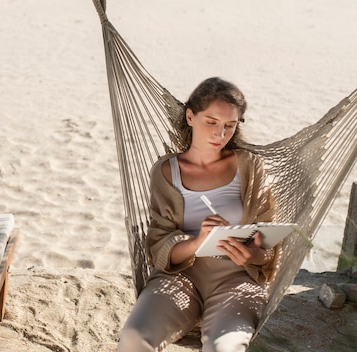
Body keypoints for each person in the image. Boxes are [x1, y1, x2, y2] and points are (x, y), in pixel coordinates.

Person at [117, 77, 279, 352]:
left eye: (230, 125)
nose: (220, 134)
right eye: (212, 122)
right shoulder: (167, 172)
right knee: (133, 339)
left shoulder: (250, 167)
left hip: (237, 279)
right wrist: (197, 241)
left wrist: (252, 255)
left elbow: (270, 245)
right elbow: (158, 244)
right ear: (190, 116)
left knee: (223, 349)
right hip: (179, 278)